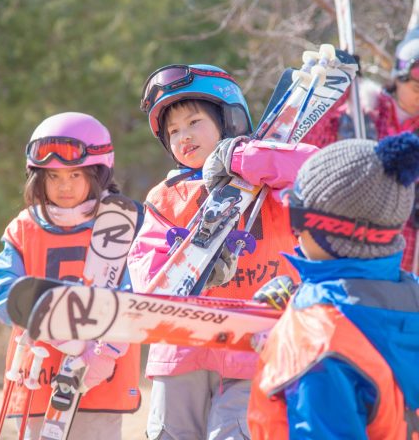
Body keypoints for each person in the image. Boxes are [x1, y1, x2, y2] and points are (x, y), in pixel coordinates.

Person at [127, 64, 318, 439]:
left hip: (256, 342)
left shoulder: (269, 181)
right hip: (181, 349)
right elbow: (145, 265)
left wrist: (240, 158)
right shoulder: (166, 196)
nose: (183, 136)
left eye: (193, 122)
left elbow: (315, 168)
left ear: (230, 119)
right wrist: (187, 270)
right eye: (172, 131)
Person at [247, 133, 419, 439]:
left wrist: (291, 343)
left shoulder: (316, 339)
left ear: (327, 229)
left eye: (293, 212)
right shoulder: (411, 296)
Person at [0, 112, 141, 439]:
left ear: (98, 173)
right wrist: (53, 327)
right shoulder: (24, 228)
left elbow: (135, 297)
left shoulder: (121, 225)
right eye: (53, 176)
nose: (64, 186)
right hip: (36, 381)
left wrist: (105, 352)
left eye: (75, 174)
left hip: (100, 383)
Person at [303, 28, 419, 273]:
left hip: (404, 256)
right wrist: (339, 87)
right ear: (398, 79)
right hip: (347, 238)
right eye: (417, 88)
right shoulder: (364, 110)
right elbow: (310, 142)